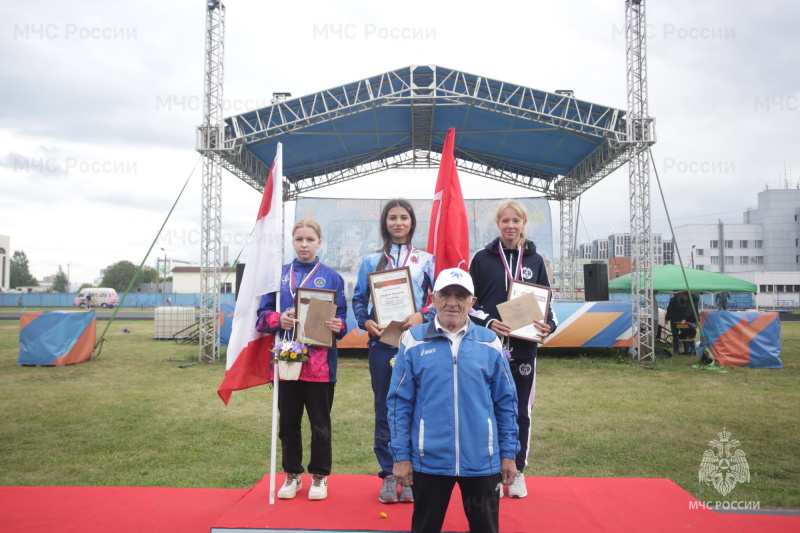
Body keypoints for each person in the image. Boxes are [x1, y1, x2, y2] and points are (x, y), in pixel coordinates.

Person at [388, 268, 519, 533]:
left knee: (485, 528)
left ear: (472, 302)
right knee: (425, 528)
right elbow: (399, 404)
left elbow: (506, 403)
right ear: (433, 298)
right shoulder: (413, 341)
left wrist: (508, 454)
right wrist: (401, 456)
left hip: (482, 460)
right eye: (445, 293)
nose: (452, 301)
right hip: (430, 460)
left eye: (461, 295)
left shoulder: (490, 341)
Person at [468, 200, 557, 498]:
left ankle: (517, 471)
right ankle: (491, 471)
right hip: (488, 347)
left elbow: (548, 304)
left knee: (521, 411)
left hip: (523, 349)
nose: (510, 226)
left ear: (523, 223)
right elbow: (471, 302)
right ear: (497, 224)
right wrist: (490, 320)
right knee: (486, 410)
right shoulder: (481, 258)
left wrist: (550, 325)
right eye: (505, 221)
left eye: (515, 221)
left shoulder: (536, 260)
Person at [256, 219, 348, 501]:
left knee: (321, 424)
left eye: (310, 239)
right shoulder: (278, 276)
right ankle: (292, 474)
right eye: (299, 239)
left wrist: (337, 326)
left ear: (320, 242)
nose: (304, 244)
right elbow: (262, 315)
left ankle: (319, 476)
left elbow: (342, 321)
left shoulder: (332, 278)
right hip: (287, 362)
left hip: (320, 367)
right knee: (288, 423)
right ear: (292, 242)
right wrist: (277, 318)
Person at [352, 199, 435, 504]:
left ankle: (411, 475)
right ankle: (388, 474)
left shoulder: (427, 259)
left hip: (417, 344)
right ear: (385, 223)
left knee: (417, 406)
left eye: (403, 217)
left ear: (412, 222)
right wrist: (366, 322)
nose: (398, 223)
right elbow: (359, 300)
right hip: (382, 344)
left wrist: (422, 315)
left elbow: (438, 299)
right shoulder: (370, 261)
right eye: (392, 218)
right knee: (385, 408)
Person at [665, 291, 697, 355]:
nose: (674, 293)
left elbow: (688, 310)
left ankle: (685, 350)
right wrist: (667, 318)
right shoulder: (673, 300)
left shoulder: (686, 300)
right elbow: (669, 309)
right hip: (675, 320)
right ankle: (677, 350)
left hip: (682, 320)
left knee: (683, 335)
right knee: (676, 336)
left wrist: (684, 318)